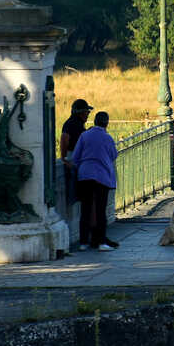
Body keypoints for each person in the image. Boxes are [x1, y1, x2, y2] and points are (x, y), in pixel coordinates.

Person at [72, 111, 120, 252]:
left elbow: (75, 157)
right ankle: (101, 242)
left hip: (85, 175)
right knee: (100, 210)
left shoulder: (84, 135)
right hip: (102, 177)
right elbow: (113, 155)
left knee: (85, 209)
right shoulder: (107, 138)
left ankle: (83, 243)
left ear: (94, 121)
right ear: (106, 123)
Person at [58, 99, 91, 247]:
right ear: (80, 112)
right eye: (86, 112)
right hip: (73, 161)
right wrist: (64, 158)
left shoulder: (74, 124)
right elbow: (64, 139)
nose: (88, 114)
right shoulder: (72, 124)